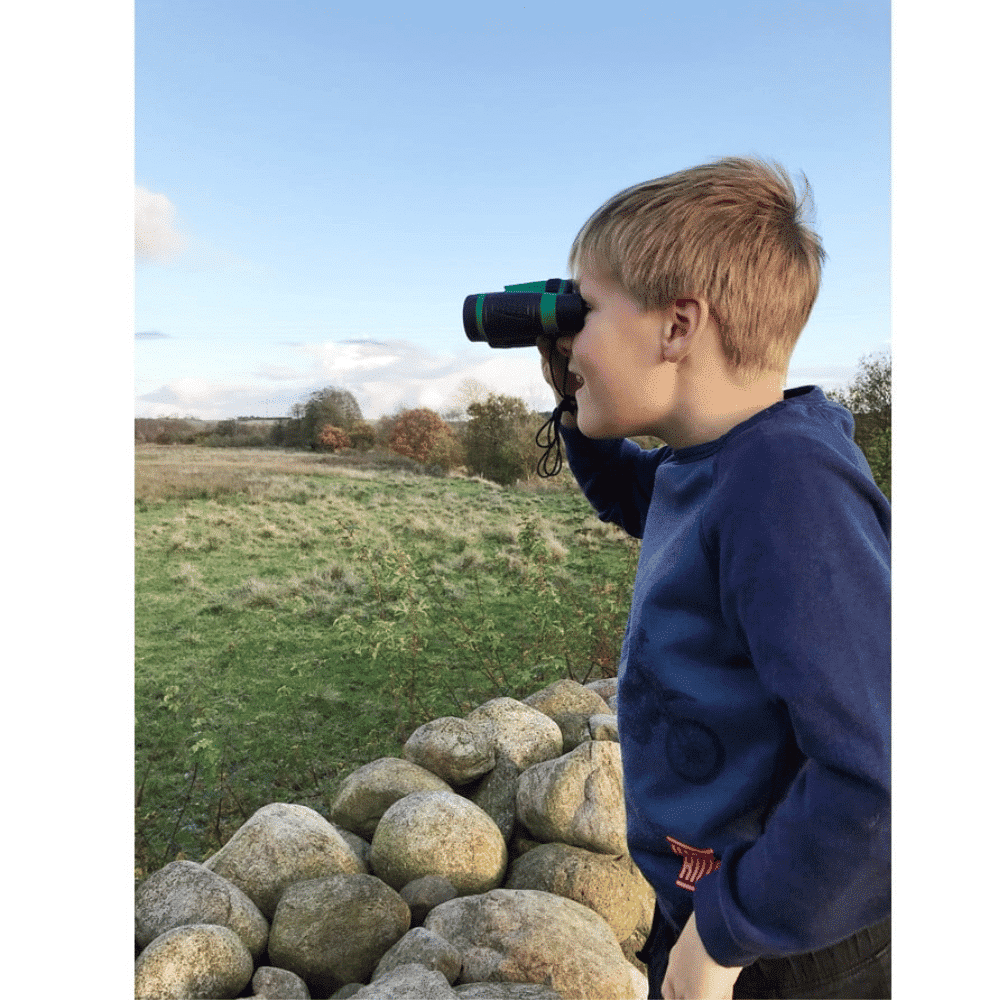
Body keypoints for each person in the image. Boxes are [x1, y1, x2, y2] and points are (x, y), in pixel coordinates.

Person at [537, 158, 890, 999]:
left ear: (677, 326)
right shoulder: (718, 464)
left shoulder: (787, 480)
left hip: (798, 943)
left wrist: (726, 936)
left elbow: (877, 768)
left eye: (583, 312)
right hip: (729, 911)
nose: (566, 337)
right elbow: (634, 493)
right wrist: (574, 397)